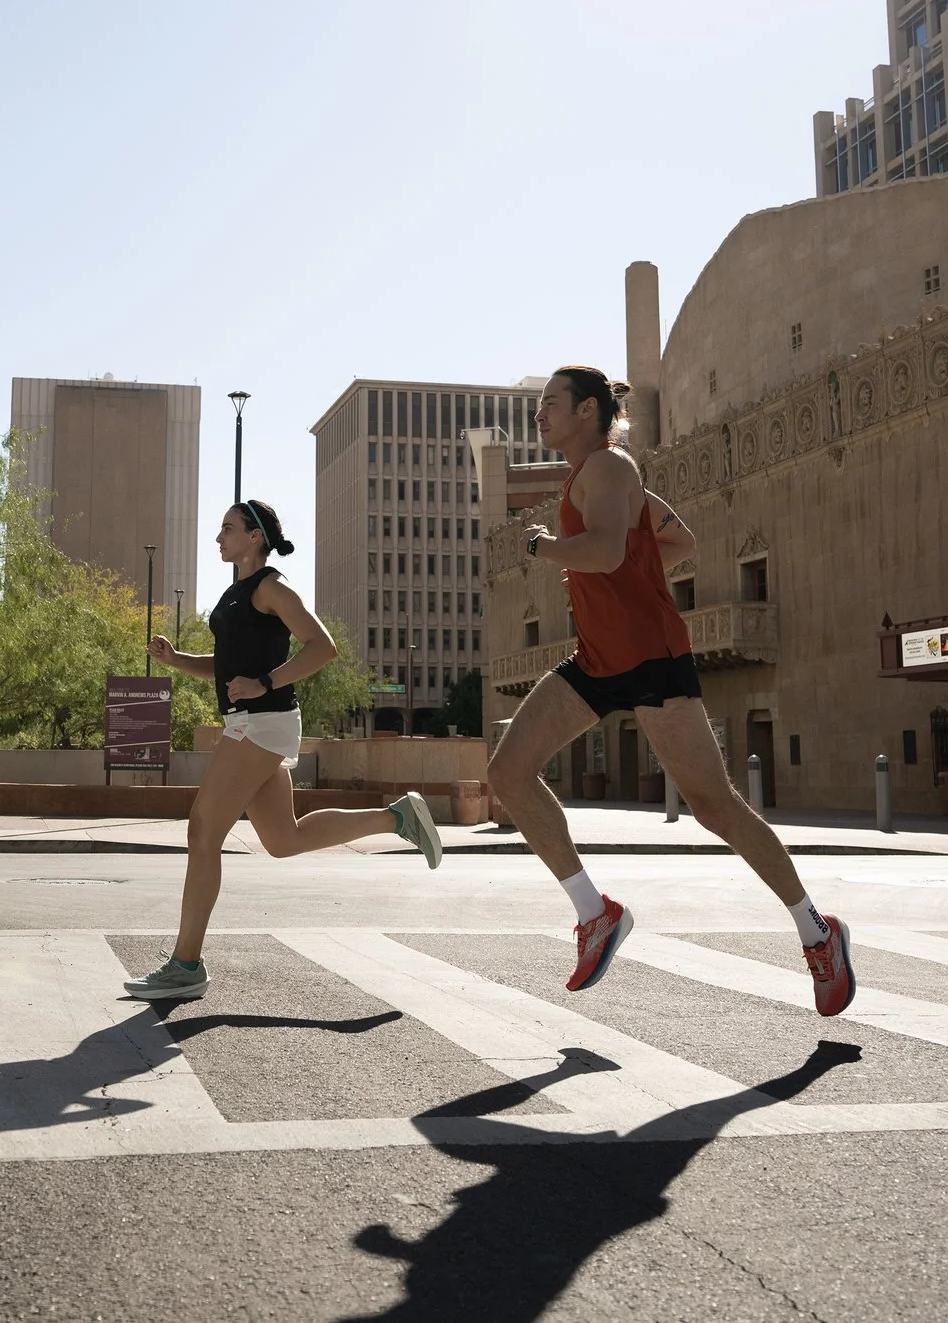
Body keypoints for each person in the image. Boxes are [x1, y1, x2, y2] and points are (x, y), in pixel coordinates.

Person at [487, 367, 856, 1014]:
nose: (540, 413)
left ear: (587, 410)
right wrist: (630, 570)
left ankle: (817, 932)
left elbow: (605, 552)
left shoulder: (609, 467)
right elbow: (677, 541)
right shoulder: (597, 478)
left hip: (653, 661)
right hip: (597, 660)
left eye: (551, 402)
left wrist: (547, 548)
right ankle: (594, 913)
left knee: (716, 808)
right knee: (508, 773)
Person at [124, 498, 443, 1000]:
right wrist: (178, 659)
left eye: (228, 528)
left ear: (255, 536)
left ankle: (186, 964)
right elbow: (228, 665)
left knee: (203, 830)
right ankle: (397, 818)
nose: (219, 537)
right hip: (252, 722)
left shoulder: (271, 587)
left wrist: (265, 683)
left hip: (262, 722)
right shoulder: (236, 592)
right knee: (283, 839)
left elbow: (322, 646)